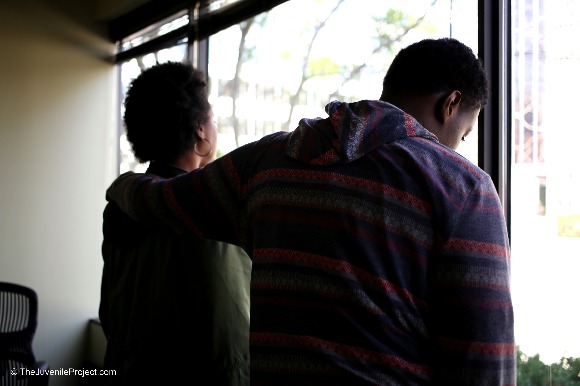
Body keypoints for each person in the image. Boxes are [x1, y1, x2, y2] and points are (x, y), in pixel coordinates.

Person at [105, 38, 515, 385]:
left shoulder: (265, 162)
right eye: (462, 134)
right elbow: (484, 365)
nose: (456, 147)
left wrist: (121, 185)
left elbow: (158, 201)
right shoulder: (463, 187)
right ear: (451, 104)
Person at [99, 62, 251, 386]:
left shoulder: (120, 205)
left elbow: (110, 313)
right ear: (199, 128)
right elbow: (230, 336)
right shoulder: (209, 210)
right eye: (211, 118)